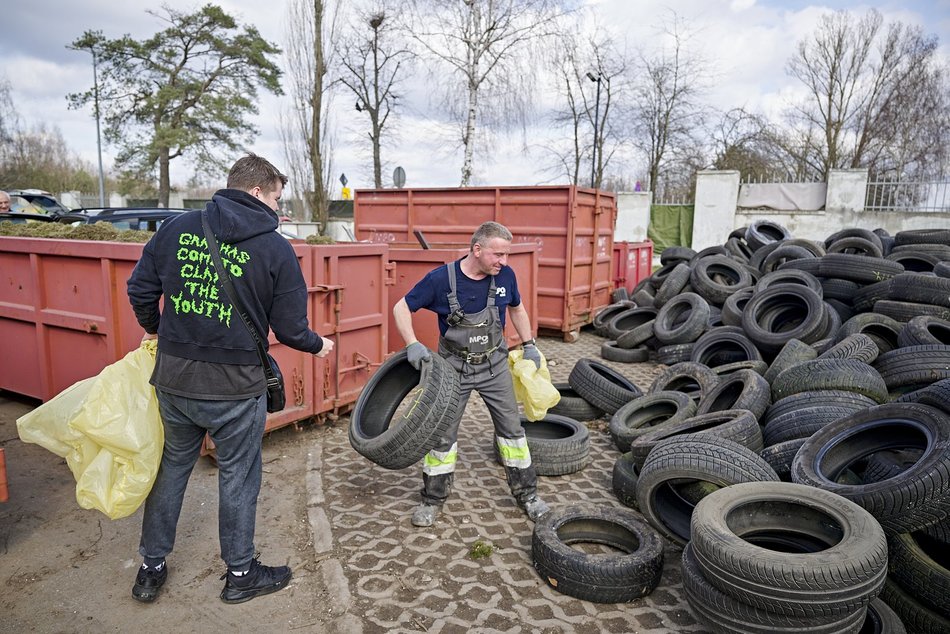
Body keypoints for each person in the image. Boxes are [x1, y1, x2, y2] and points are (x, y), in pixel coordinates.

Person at [126, 154, 334, 604]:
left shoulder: (176, 229)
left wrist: (157, 330)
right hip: (236, 387)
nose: (278, 207)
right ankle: (240, 574)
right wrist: (319, 345)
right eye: (277, 198)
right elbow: (291, 329)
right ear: (257, 192)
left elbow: (140, 290)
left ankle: (150, 568)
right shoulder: (276, 248)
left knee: (171, 469)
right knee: (238, 475)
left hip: (175, 380)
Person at [392, 221, 550, 527]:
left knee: (513, 433)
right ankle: (432, 498)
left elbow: (517, 308)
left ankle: (529, 495)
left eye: (507, 254)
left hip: (494, 367)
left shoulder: (505, 276)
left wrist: (529, 344)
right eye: (498, 254)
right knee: (442, 434)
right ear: (477, 249)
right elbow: (401, 307)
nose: (504, 261)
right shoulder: (441, 280)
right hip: (453, 370)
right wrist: (412, 344)